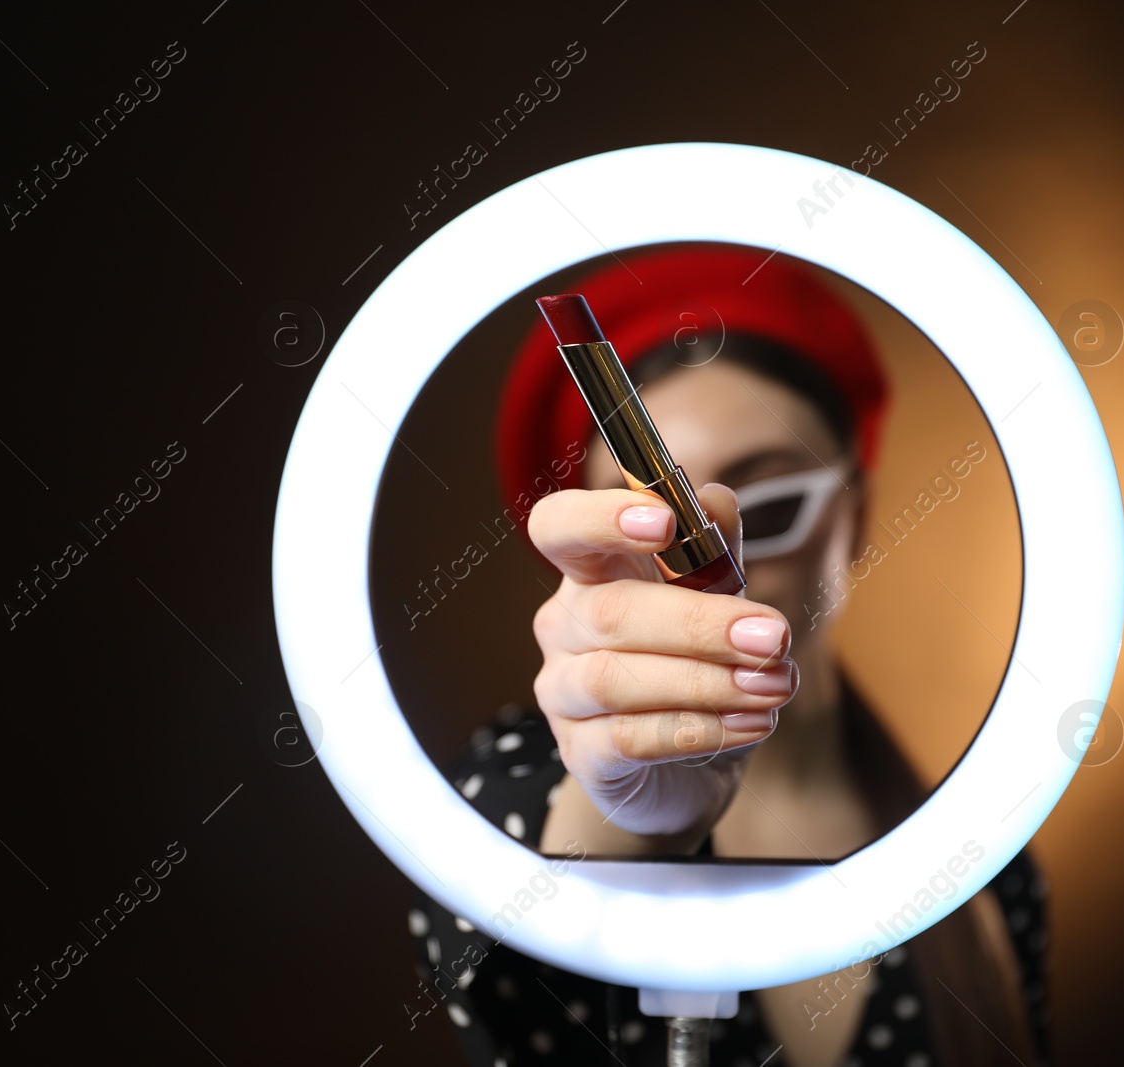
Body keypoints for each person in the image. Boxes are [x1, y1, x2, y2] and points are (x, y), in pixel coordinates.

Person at [407, 245, 1048, 1066]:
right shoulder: (497, 798)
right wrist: (627, 817)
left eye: (773, 502)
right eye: (658, 535)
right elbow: (507, 931)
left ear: (860, 511)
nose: (722, 573)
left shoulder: (983, 864)